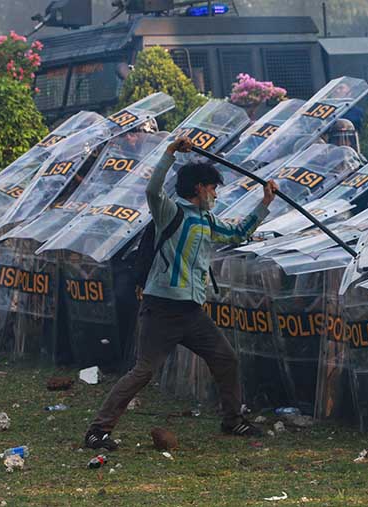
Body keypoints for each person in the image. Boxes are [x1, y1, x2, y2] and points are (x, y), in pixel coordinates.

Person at [83, 136, 279, 450]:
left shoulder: (207, 221)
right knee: (143, 371)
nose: (216, 194)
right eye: (213, 188)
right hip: (161, 309)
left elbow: (240, 232)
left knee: (226, 359)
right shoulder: (169, 212)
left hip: (191, 312)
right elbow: (152, 189)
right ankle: (98, 431)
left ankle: (232, 421)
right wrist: (170, 153)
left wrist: (265, 202)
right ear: (200, 187)